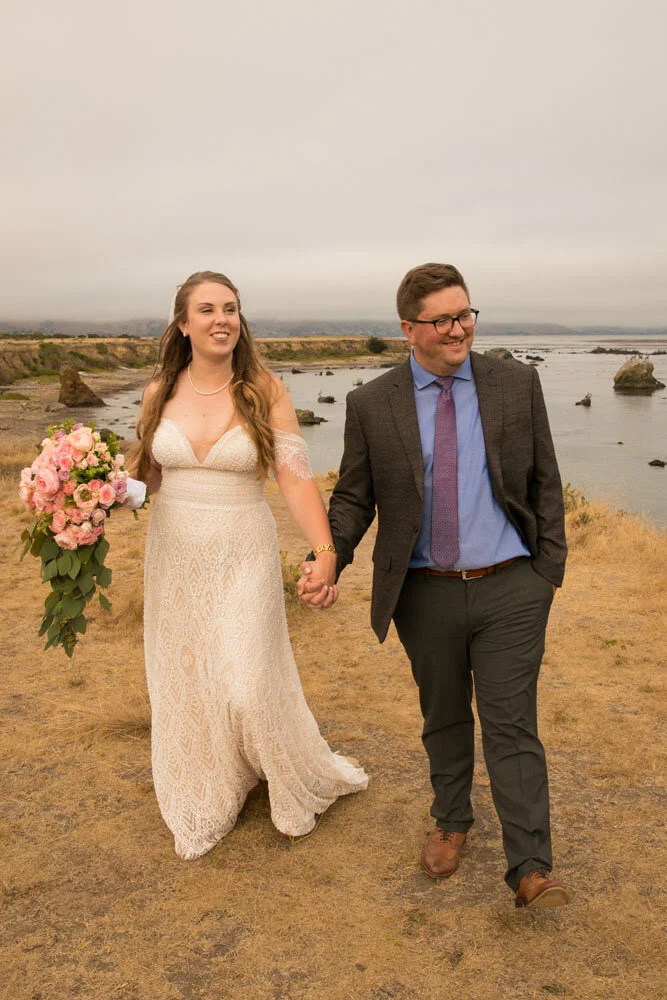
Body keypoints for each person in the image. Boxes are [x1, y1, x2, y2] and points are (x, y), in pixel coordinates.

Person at [299, 263, 568, 909]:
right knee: (442, 717)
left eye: (465, 313)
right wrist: (328, 556)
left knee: (510, 724)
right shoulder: (372, 403)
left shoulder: (514, 383)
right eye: (442, 319)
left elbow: (544, 481)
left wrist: (546, 572)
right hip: (423, 592)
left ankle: (530, 866)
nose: (459, 328)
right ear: (407, 330)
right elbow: (355, 495)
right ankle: (451, 821)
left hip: (510, 586)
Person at [128, 270, 367, 860]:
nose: (221, 320)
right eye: (206, 309)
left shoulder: (263, 389)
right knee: (190, 675)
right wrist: (83, 494)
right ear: (183, 324)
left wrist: (326, 553)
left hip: (243, 552)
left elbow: (293, 477)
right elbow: (148, 477)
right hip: (175, 555)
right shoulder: (159, 389)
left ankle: (289, 777)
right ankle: (216, 780)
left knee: (246, 679)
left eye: (230, 308)